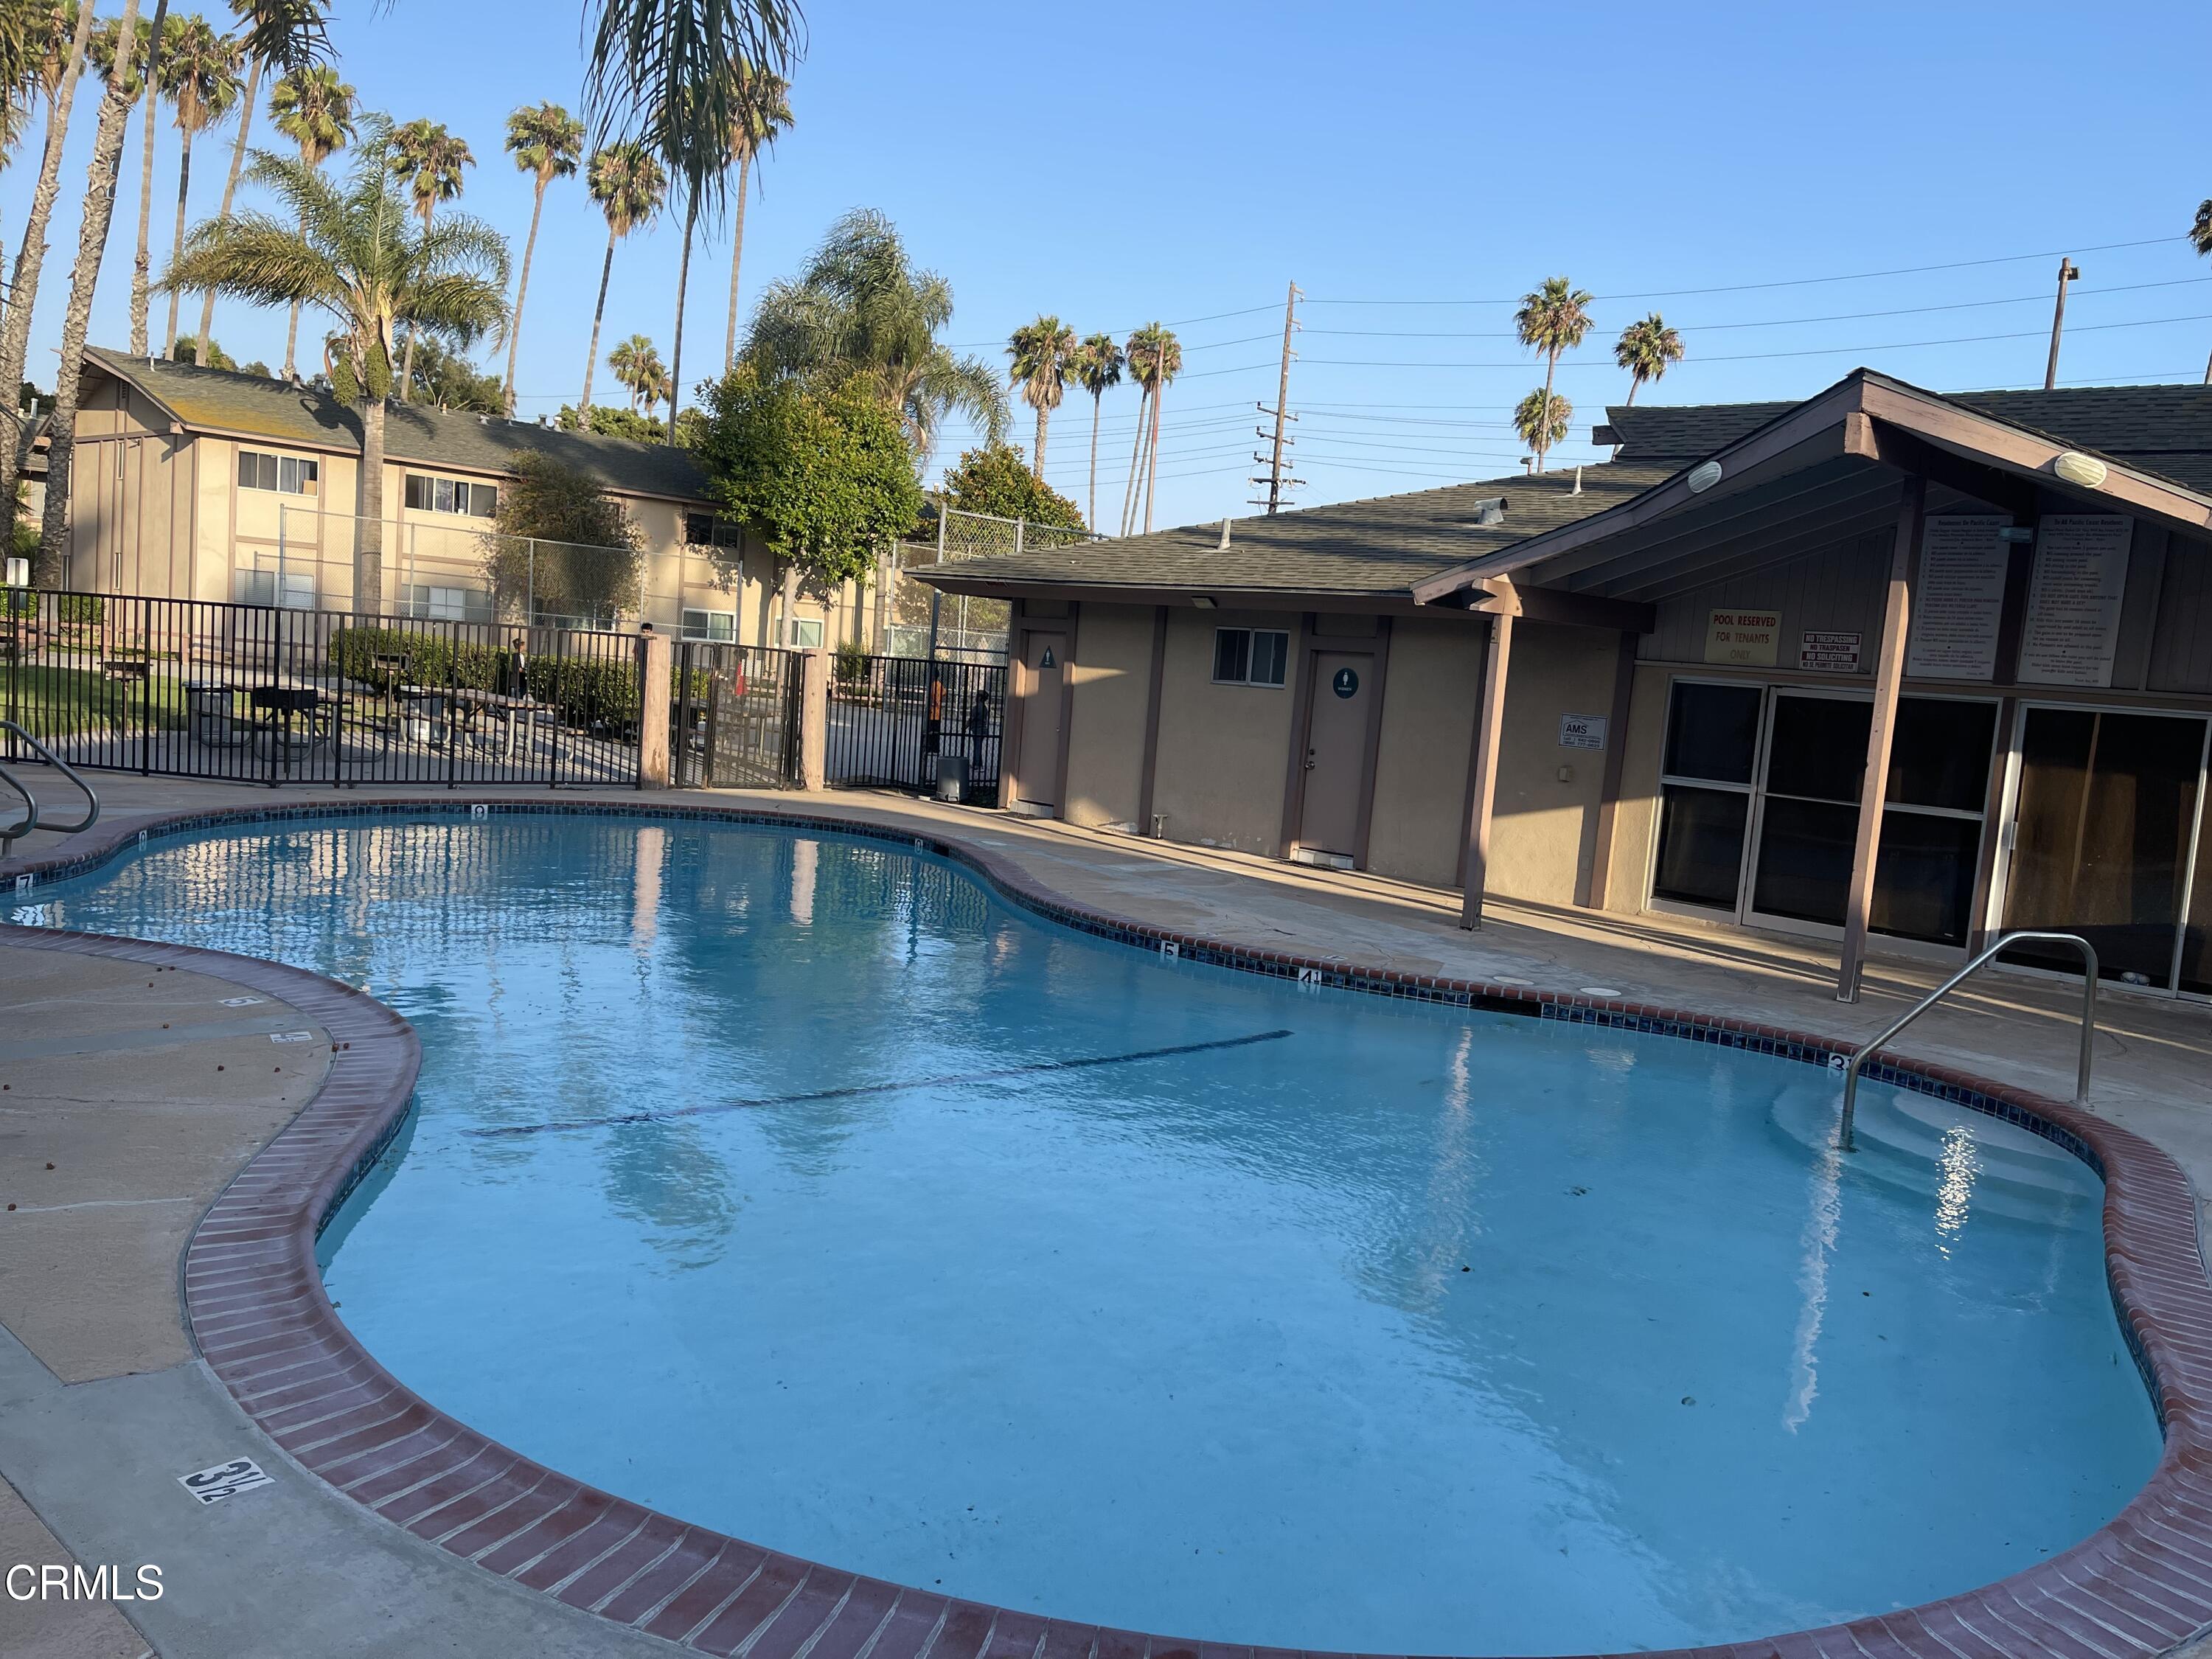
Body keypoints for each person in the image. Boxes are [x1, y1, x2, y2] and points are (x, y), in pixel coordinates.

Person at [966, 687, 992, 762]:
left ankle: (977, 765)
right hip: (983, 729)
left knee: (977, 747)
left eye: (977, 695)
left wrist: (964, 727)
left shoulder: (977, 708)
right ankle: (978, 763)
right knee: (978, 747)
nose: (975, 697)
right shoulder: (985, 708)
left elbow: (971, 719)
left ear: (980, 697)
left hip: (978, 729)